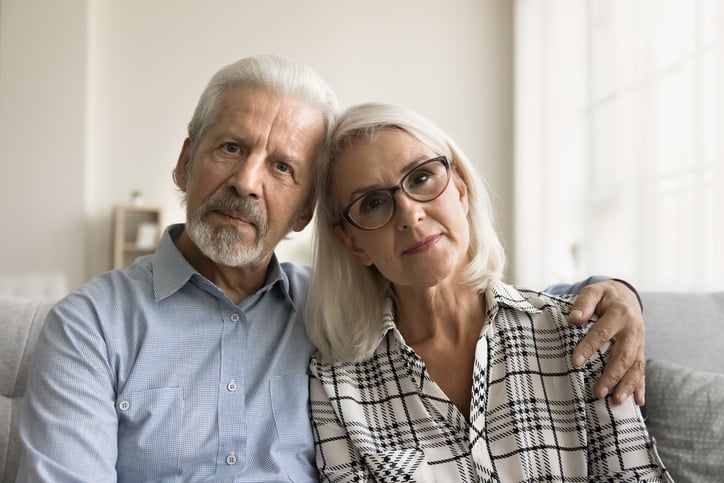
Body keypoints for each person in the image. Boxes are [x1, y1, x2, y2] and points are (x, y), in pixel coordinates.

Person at [17, 56, 644, 482]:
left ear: (304, 216)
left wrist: (615, 292)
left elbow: (466, 293)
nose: (246, 181)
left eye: (282, 167)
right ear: (185, 163)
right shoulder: (91, 326)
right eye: (231, 147)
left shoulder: (335, 315)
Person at [306, 102, 671, 481]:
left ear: (460, 189)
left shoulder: (578, 335)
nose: (410, 214)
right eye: (374, 203)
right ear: (353, 243)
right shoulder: (337, 386)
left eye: (420, 178)